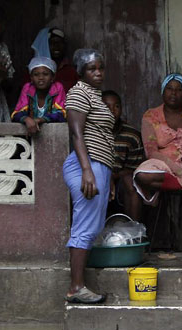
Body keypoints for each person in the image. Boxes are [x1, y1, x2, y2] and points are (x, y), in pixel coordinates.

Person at [63, 49, 115, 304]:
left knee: (91, 226)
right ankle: (76, 287)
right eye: (92, 68)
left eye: (101, 68)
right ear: (81, 72)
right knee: (84, 226)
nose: (98, 72)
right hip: (87, 165)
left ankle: (78, 286)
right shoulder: (79, 93)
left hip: (98, 165)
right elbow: (76, 135)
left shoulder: (93, 95)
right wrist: (87, 170)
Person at [133, 74, 182, 204]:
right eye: (169, 88)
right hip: (164, 166)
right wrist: (177, 170)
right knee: (142, 175)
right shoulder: (151, 116)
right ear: (163, 91)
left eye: (179, 89)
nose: (173, 93)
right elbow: (151, 151)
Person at [102, 90, 145, 221]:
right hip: (95, 177)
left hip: (119, 180)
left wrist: (113, 176)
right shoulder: (91, 132)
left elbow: (134, 168)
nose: (112, 111)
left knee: (130, 181)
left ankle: (132, 231)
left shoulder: (131, 135)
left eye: (116, 106)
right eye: (107, 107)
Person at [11, 57, 66, 135]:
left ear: (52, 77)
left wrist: (41, 120)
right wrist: (26, 119)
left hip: (54, 134)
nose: (41, 78)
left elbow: (61, 114)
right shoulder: (28, 88)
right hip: (31, 135)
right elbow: (16, 113)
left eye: (45, 74)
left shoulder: (57, 88)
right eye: (36, 75)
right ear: (31, 78)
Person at [31, 26, 78, 93]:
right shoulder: (33, 72)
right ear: (45, 46)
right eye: (52, 43)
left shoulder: (71, 71)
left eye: (59, 42)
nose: (56, 46)